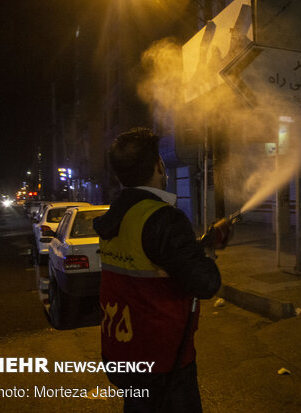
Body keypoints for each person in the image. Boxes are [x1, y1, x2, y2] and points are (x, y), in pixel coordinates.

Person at [93, 127, 221, 412]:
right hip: (163, 363)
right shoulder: (163, 218)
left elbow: (152, 257)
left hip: (122, 353)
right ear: (158, 166)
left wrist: (198, 245)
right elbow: (206, 283)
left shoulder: (115, 216)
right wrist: (208, 253)